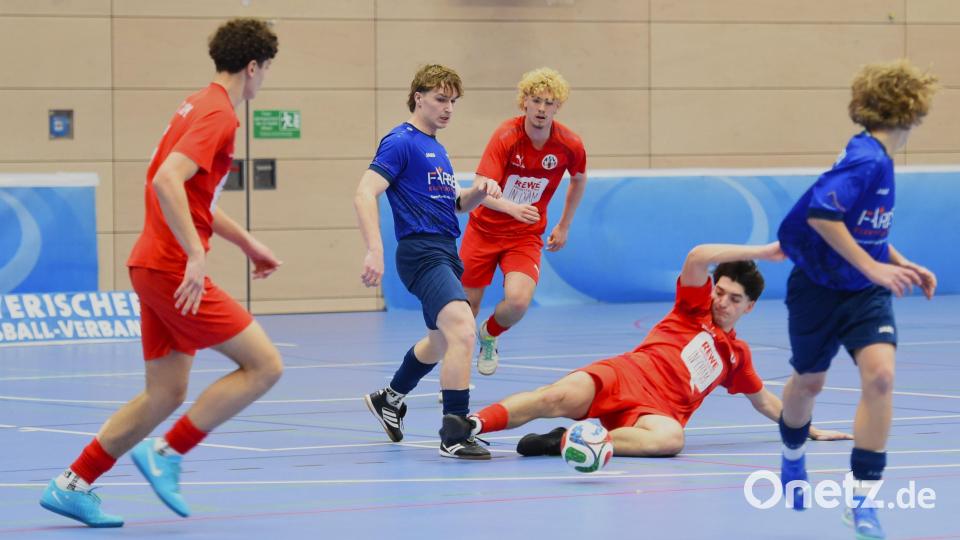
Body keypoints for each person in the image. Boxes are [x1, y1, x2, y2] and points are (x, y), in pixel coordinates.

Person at [38, 18, 283, 527]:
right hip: (171, 267)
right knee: (264, 366)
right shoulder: (219, 115)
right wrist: (196, 254)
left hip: (150, 263)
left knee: (167, 391)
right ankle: (168, 453)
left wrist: (247, 243)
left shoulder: (195, 104)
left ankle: (73, 483)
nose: (264, 82)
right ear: (254, 66)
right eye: (266, 72)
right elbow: (168, 181)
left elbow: (190, 195)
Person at [468, 242, 851, 457]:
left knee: (671, 440)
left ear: (749, 307)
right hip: (622, 375)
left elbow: (764, 401)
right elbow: (698, 256)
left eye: (734, 299)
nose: (722, 302)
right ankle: (473, 424)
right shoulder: (693, 305)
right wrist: (764, 252)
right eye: (720, 292)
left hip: (655, 413)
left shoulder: (736, 357)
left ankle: (567, 440)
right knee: (552, 396)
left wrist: (807, 428)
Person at [776, 59, 939, 539]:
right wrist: (874, 268)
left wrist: (899, 262)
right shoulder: (867, 159)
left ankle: (862, 502)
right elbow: (823, 215)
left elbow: (862, 229)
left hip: (863, 294)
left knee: (882, 377)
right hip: (818, 289)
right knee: (809, 384)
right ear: (913, 111)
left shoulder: (873, 156)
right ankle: (791, 458)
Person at [355, 64, 502, 460]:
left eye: (453, 101)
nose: (448, 108)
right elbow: (365, 193)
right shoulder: (400, 142)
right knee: (464, 331)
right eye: (440, 99)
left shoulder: (436, 147)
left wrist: (477, 193)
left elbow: (454, 204)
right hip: (422, 251)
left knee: (440, 341)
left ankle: (390, 398)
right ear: (418, 97)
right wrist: (375, 249)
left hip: (445, 250)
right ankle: (455, 430)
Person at [460, 67, 587, 375]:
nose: (542, 109)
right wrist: (509, 207)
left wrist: (564, 224)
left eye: (548, 102)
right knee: (464, 310)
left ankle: (489, 334)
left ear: (557, 106)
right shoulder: (506, 135)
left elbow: (579, 179)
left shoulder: (569, 144)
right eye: (536, 101)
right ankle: (456, 380)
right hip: (484, 230)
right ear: (524, 103)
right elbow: (478, 187)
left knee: (517, 302)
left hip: (524, 237)